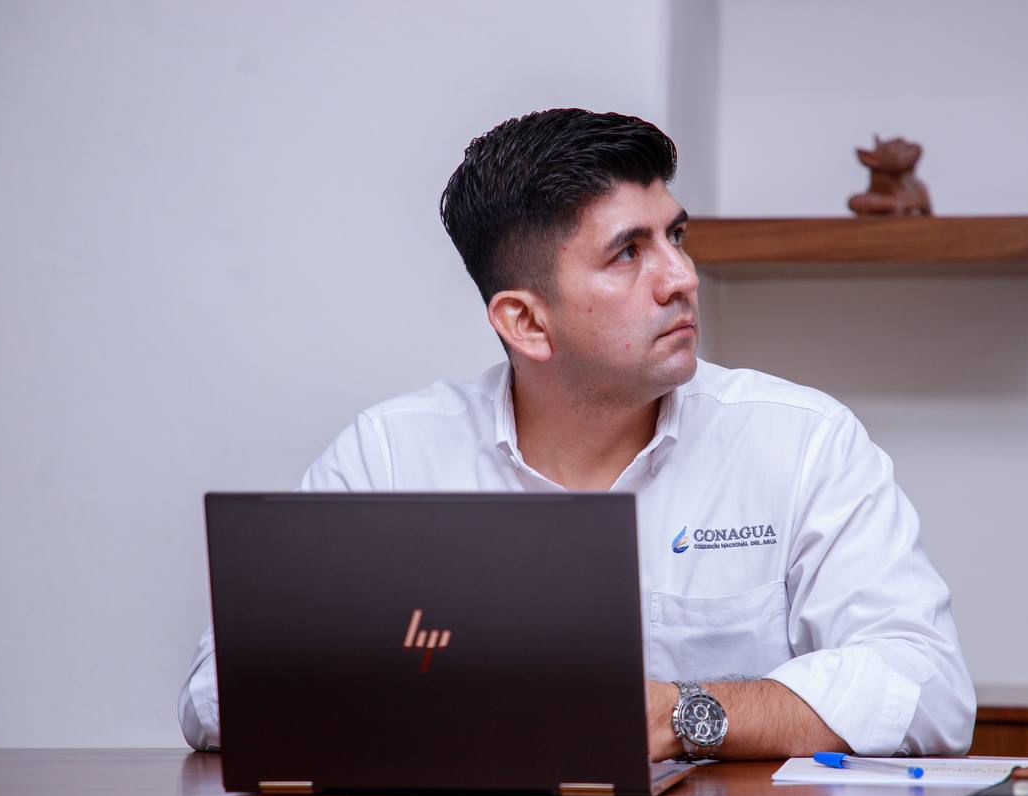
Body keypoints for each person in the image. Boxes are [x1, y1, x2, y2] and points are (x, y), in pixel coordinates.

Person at [179, 108, 975, 760]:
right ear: (526, 322)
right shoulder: (390, 455)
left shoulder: (801, 441)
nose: (682, 277)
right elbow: (220, 695)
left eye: (675, 236)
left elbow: (930, 687)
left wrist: (686, 713)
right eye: (628, 253)